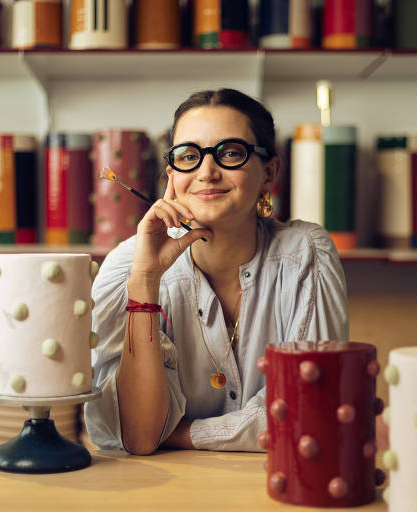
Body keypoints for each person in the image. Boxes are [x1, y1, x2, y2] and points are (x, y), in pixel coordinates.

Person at [85, 88, 349, 455]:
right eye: (189, 156)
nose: (206, 173)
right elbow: (139, 436)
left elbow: (312, 410)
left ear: (269, 171)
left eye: (229, 153)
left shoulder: (305, 256)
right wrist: (145, 281)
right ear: (172, 177)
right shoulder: (126, 268)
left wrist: (182, 435)